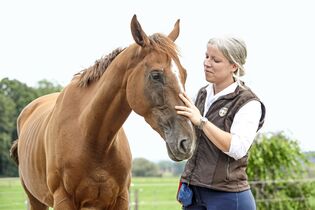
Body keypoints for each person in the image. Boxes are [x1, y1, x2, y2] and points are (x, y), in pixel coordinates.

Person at [175, 36, 266, 210]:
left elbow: (237, 149)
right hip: (194, 195)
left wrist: (202, 122)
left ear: (234, 66)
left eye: (215, 60)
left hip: (228, 198)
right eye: (206, 56)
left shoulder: (248, 103)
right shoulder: (200, 95)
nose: (207, 63)